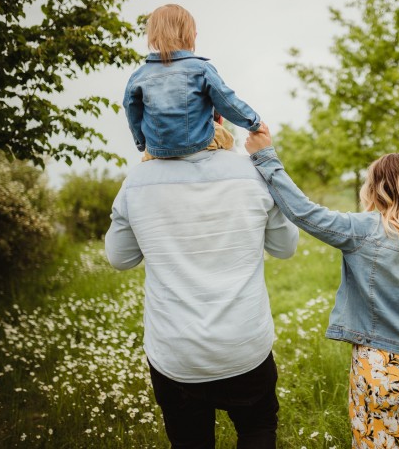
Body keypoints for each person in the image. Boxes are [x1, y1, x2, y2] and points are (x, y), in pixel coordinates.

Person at [245, 125, 399, 448]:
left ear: (376, 190)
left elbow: (303, 212)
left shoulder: (360, 231)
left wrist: (265, 157)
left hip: (380, 372)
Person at [104, 122, 299, 448]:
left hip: (176, 355)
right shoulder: (254, 173)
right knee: (257, 429)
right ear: (218, 119)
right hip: (244, 347)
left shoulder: (137, 182)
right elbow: (285, 247)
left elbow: (119, 258)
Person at [123, 4, 261, 160]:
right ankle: (233, 173)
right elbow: (227, 102)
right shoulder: (201, 69)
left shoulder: (139, 76)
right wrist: (254, 122)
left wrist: (141, 142)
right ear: (192, 36)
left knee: (145, 161)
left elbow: (132, 111)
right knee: (225, 137)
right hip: (199, 143)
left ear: (152, 36)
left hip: (157, 149)